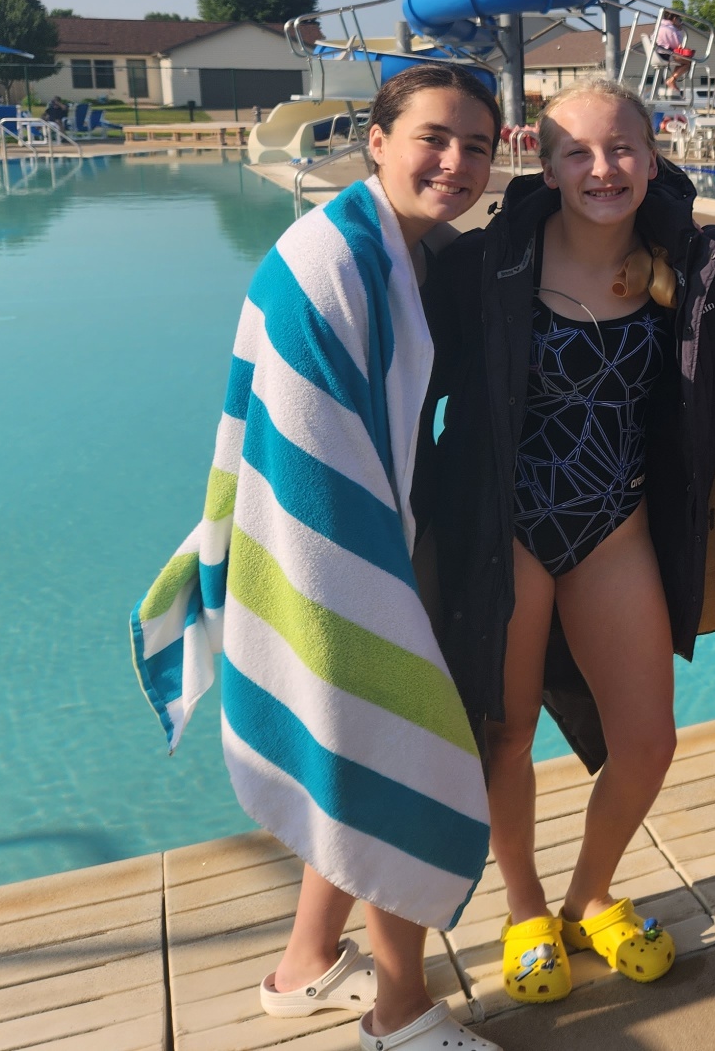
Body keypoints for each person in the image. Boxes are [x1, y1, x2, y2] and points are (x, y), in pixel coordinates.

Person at [132, 63, 503, 1051]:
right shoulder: (324, 261)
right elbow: (303, 455)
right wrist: (371, 593)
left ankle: (302, 971)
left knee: (345, 762)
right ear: (376, 140)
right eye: (435, 136)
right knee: (387, 749)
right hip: (332, 556)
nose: (457, 161)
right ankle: (400, 1011)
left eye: (477, 144)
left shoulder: (414, 254)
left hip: (370, 538)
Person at [414, 77, 715, 1006]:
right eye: (579, 154)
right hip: (508, 529)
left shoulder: (689, 266)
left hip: (614, 525)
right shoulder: (492, 266)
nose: (603, 170)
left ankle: (590, 893)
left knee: (648, 741)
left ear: (655, 151)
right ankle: (524, 909)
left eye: (623, 149)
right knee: (504, 732)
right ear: (545, 164)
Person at [655, 11, 692, 98]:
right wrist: (679, 30)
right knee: (688, 62)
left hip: (657, 53)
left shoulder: (660, 26)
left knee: (681, 61)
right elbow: (678, 47)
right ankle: (671, 80)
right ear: (675, 19)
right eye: (680, 20)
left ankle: (672, 81)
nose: (680, 22)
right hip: (665, 54)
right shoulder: (671, 29)